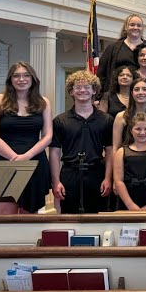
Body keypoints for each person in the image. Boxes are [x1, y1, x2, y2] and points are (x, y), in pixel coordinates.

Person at [0, 61, 53, 213]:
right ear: (10, 80)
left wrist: (27, 157)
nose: (21, 79)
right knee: (4, 210)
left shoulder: (44, 102)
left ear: (32, 78)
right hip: (4, 160)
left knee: (32, 211)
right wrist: (15, 158)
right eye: (16, 76)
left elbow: (48, 136)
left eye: (26, 75)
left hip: (35, 160)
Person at [49, 70, 114, 213]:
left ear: (94, 91)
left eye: (87, 87)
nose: (82, 90)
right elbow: (54, 152)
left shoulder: (107, 120)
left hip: (97, 173)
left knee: (98, 217)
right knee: (69, 217)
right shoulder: (60, 121)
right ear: (71, 92)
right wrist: (56, 181)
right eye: (78, 87)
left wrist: (108, 178)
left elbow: (110, 151)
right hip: (69, 173)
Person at [96, 14, 146, 94]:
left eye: (139, 25)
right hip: (117, 93)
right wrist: (99, 95)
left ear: (142, 28)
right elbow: (101, 73)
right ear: (126, 27)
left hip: (142, 94)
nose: (135, 27)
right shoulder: (113, 48)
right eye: (132, 25)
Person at [113, 112, 146, 210]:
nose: (142, 133)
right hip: (127, 199)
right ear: (131, 130)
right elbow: (119, 181)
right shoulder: (122, 152)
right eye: (138, 129)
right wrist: (130, 205)